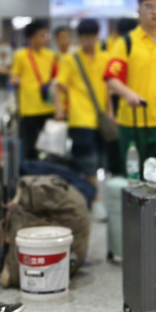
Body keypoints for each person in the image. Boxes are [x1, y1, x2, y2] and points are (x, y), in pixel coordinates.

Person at [104, 0, 156, 173]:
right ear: (139, 11)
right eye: (148, 6)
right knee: (133, 177)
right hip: (132, 122)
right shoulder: (126, 42)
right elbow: (111, 77)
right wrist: (128, 94)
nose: (154, 11)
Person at [55, 19, 112, 218]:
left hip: (100, 119)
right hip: (80, 119)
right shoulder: (70, 59)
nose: (88, 41)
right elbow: (58, 86)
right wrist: (59, 110)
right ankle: (94, 201)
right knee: (88, 163)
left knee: (97, 164)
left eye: (92, 36)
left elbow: (108, 88)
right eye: (84, 37)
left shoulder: (105, 57)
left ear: (97, 37)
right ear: (78, 38)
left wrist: (111, 112)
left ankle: (86, 199)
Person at [10, 20, 56, 160]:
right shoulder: (20, 55)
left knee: (49, 146)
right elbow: (14, 75)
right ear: (31, 38)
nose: (45, 38)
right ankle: (30, 169)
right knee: (30, 145)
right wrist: (15, 80)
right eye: (41, 35)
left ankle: (47, 168)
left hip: (48, 105)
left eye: (45, 35)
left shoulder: (50, 55)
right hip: (29, 108)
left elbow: (55, 76)